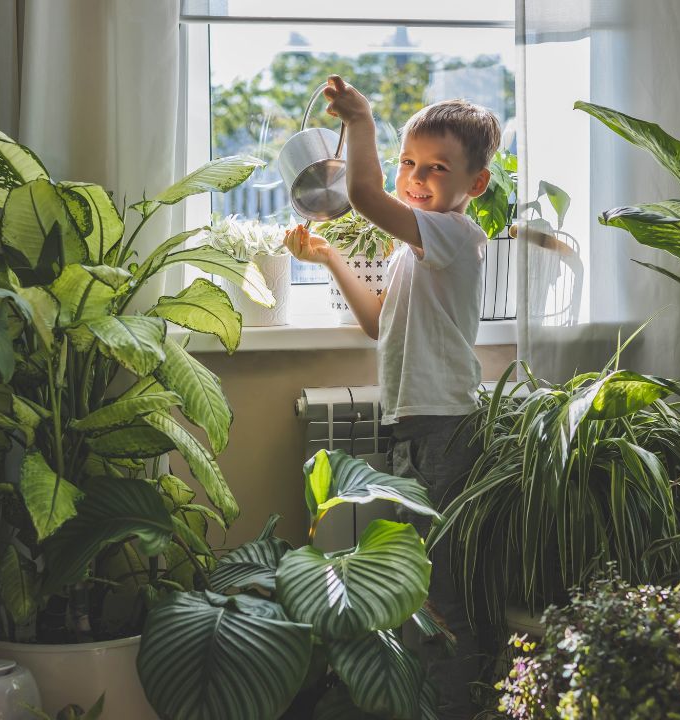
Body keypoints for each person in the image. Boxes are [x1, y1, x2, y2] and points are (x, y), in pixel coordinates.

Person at [284, 75, 498, 720]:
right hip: (412, 425)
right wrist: (329, 261)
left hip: (446, 428)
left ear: (475, 185)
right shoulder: (416, 249)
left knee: (445, 586)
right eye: (409, 163)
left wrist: (364, 121)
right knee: (422, 581)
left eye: (437, 168)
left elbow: (364, 195)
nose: (417, 177)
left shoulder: (457, 235)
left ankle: (467, 706)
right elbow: (377, 321)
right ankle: (436, 701)